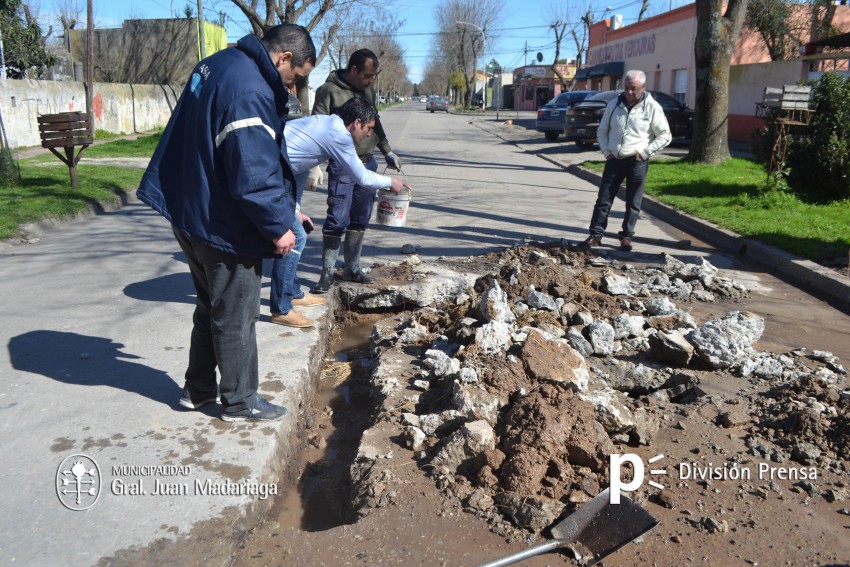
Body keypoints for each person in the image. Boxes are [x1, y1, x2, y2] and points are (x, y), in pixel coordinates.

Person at [136, 24, 316, 422]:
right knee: (236, 312)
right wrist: (277, 226)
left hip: (190, 208)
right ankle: (239, 401)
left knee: (211, 305)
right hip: (221, 221)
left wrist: (286, 209)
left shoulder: (218, 64)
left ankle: (197, 391)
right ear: (284, 58)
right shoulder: (249, 89)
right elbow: (251, 171)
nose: (293, 88)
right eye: (296, 77)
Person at [270, 97, 412, 328]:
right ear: (356, 123)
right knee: (294, 238)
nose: (368, 135)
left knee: (298, 233)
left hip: (279, 169)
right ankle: (282, 308)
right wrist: (390, 182)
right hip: (271, 171)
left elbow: (298, 169)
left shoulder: (326, 124)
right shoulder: (339, 135)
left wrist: (295, 209)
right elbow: (362, 176)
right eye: (368, 129)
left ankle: (293, 292)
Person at [310, 48, 402, 294]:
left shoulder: (368, 91)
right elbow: (316, 126)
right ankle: (327, 273)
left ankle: (352, 267)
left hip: (367, 161)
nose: (371, 81)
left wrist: (387, 150)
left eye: (373, 76)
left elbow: (376, 121)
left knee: (360, 217)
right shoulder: (328, 91)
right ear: (353, 70)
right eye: (367, 76)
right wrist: (315, 165)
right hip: (342, 165)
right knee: (337, 218)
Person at [583, 70, 671, 252]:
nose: (629, 92)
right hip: (614, 159)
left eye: (634, 89)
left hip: (637, 161)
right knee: (604, 199)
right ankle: (596, 235)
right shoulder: (614, 104)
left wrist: (645, 152)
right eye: (626, 88)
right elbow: (602, 130)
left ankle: (626, 237)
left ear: (643, 88)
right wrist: (607, 151)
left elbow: (665, 135)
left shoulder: (651, 107)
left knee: (633, 202)